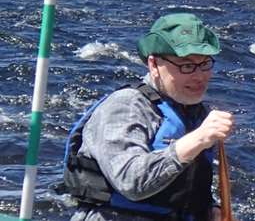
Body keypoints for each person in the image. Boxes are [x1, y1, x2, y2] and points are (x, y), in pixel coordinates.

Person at [63, 13, 235, 221]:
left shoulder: (197, 114)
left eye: (205, 64)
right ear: (154, 65)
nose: (199, 76)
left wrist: (210, 211)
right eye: (187, 66)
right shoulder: (125, 106)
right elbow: (130, 182)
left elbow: (185, 189)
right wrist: (197, 140)